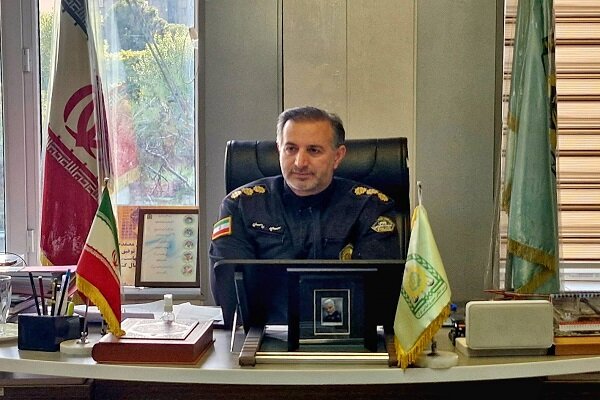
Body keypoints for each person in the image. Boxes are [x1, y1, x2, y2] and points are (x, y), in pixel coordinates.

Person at [209, 105, 401, 325]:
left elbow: (375, 297)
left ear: (338, 156)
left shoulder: (371, 207)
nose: (300, 162)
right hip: (263, 336)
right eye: (291, 149)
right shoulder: (241, 205)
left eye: (314, 150)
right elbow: (231, 297)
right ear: (279, 150)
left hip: (347, 336)